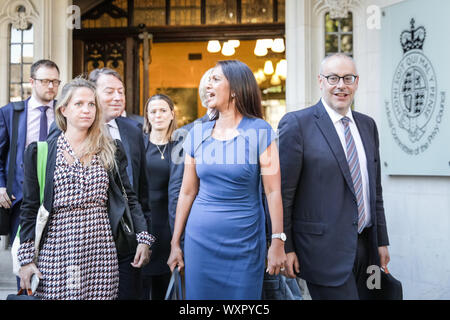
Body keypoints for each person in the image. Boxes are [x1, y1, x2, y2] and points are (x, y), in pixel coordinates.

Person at [17, 77, 154, 300]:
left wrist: (143, 237)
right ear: (64, 110)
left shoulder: (110, 150)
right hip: (56, 252)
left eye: (91, 104)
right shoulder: (39, 152)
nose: (86, 110)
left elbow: (129, 197)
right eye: (79, 104)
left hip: (100, 252)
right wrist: (26, 259)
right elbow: (30, 208)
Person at [167, 60, 287, 300]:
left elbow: (273, 191)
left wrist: (277, 241)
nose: (208, 85)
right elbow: (187, 192)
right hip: (199, 242)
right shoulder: (197, 134)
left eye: (215, 79)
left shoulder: (261, 131)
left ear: (234, 89)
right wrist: (175, 243)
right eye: (208, 80)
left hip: (245, 243)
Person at [278, 53, 390, 300]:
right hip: (322, 250)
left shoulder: (368, 125)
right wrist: (286, 247)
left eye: (348, 78)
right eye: (333, 78)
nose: (341, 85)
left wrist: (381, 241)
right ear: (320, 81)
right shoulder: (297, 124)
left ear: (357, 82)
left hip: (365, 247)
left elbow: (375, 191)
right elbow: (283, 195)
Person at [0, 60, 60, 247]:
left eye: (55, 81)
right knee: (24, 259)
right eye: (45, 81)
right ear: (32, 82)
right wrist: (0, 186)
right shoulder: (10, 113)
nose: (51, 86)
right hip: (21, 199)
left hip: (58, 198)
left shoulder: (64, 112)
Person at [168, 68, 214, 234]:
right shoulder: (187, 133)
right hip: (197, 228)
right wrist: (178, 238)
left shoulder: (248, 130)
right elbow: (177, 190)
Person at [141, 94, 177, 300]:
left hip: (170, 224)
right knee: (143, 284)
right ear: (147, 116)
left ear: (172, 114)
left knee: (167, 286)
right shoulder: (140, 145)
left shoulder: (180, 147)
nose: (158, 115)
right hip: (146, 222)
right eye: (153, 111)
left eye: (163, 110)